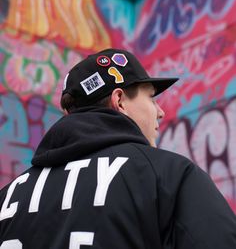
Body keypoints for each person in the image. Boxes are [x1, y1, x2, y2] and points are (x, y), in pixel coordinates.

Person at [0, 48, 236, 249]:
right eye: (152, 98)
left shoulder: (8, 196)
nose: (160, 112)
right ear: (120, 100)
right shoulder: (169, 175)